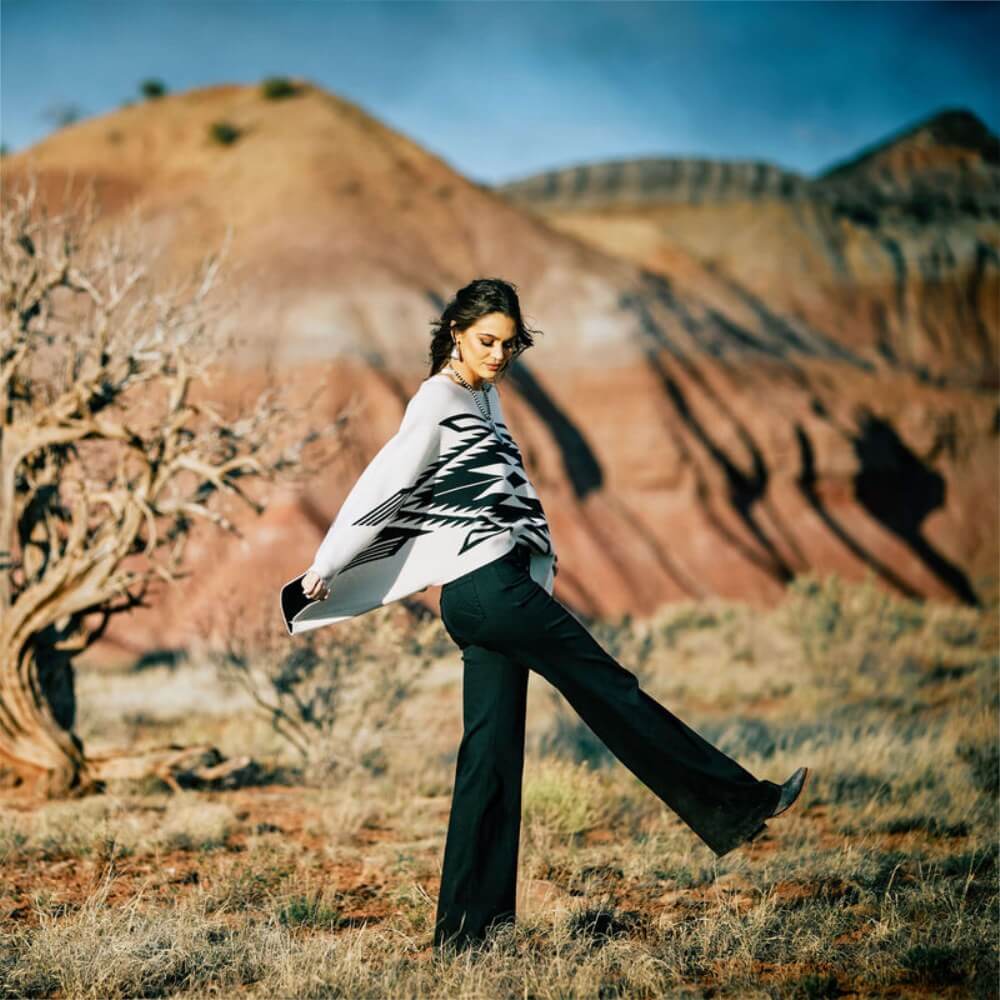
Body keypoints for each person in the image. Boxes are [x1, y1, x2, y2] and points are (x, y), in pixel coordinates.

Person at [295, 277, 809, 953]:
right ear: (456, 333)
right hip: (487, 590)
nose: (498, 355)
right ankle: (737, 803)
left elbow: (505, 496)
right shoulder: (438, 400)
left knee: (490, 759)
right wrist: (328, 563)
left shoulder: (485, 401)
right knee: (610, 688)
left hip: (484, 592)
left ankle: (467, 936)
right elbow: (387, 481)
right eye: (486, 341)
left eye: (508, 345)